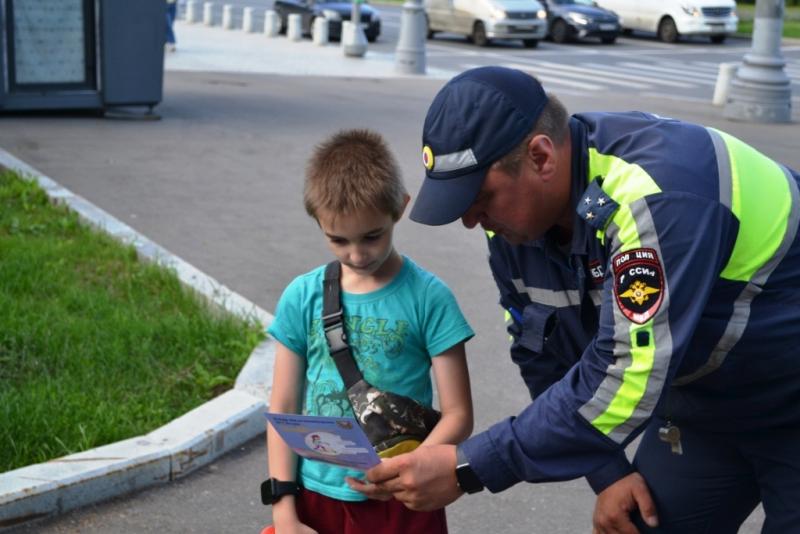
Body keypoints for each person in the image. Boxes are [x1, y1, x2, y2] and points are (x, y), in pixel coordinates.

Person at [354, 66, 800, 534]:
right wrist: (608, 472)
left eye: (479, 197)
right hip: (708, 402)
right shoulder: (513, 223)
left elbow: (626, 372)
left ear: (541, 157)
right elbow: (541, 353)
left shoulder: (651, 198)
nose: (471, 220)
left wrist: (469, 467)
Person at [265, 129, 475, 534]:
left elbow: (459, 415)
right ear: (317, 221)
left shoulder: (429, 298)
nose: (357, 254)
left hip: (405, 499)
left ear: (400, 207)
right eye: (337, 240)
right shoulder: (302, 297)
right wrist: (283, 510)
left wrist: (407, 470)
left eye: (372, 236)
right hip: (316, 497)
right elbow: (284, 409)